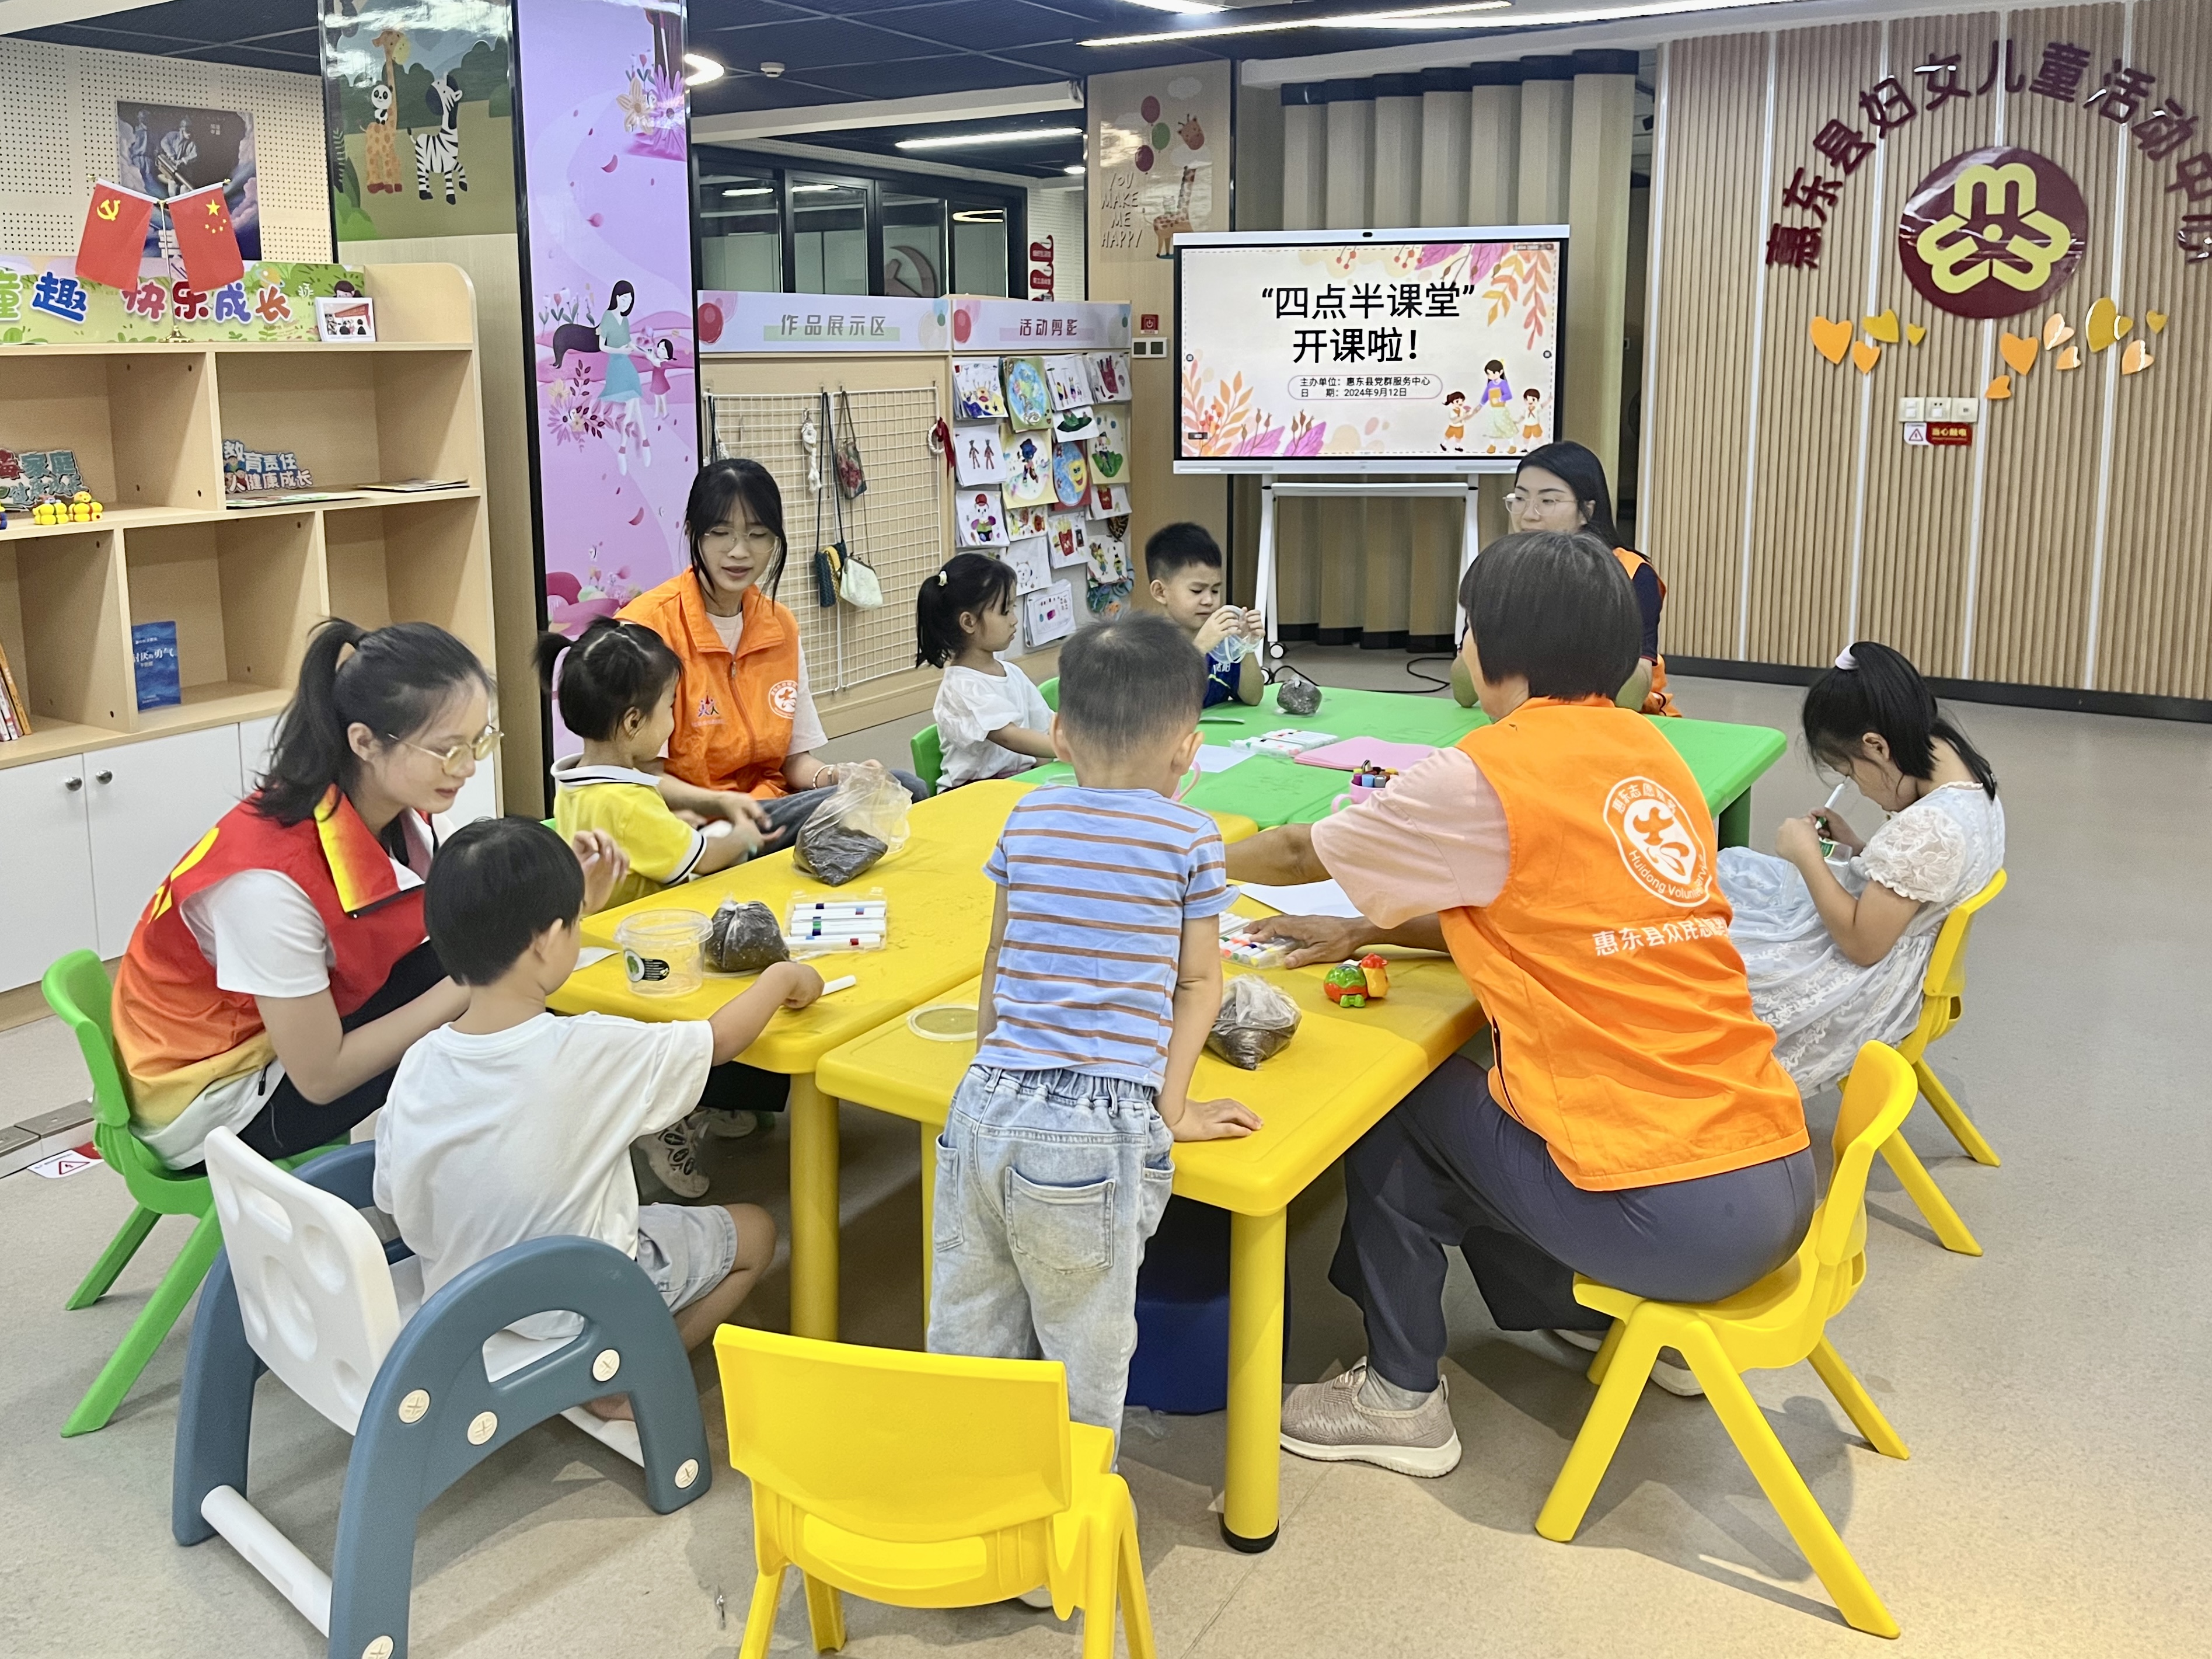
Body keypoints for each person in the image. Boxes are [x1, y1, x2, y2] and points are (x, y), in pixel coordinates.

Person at [1226, 532, 1812, 1473]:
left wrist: (1165, 848)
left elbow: (1299, 852)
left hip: (1673, 1212)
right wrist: (1368, 929)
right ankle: (1598, 1316)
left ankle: (1400, 1398)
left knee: (1399, 1103)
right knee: (1492, 1107)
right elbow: (1560, 917)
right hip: (1772, 1172)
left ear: (1490, 648)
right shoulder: (1650, 753)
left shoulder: (1486, 770)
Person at [111, 619, 628, 1170]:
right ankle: (518, 1168)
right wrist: (485, 978)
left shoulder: (389, 805)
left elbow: (469, 916)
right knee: (494, 995)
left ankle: (525, 1155)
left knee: (494, 971)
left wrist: (560, 897)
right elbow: (321, 1078)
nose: (469, 767)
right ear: (363, 742)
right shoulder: (266, 887)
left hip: (281, 1039)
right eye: (448, 749)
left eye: (478, 741)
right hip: (218, 1100)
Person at [927, 614, 1262, 1444]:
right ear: (1187, 748)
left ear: (1060, 734)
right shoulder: (1192, 836)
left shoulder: (1027, 817)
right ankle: (1063, 1524)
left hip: (986, 1103)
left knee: (969, 1333)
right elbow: (1198, 982)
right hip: (1095, 1125)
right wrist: (1173, 1109)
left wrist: (988, 1070)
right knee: (1084, 1354)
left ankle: (969, 1495)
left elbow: (997, 957)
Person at [374, 818, 819, 1421]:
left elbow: (393, 1198)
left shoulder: (421, 1060)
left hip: (463, 1294)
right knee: (758, 1232)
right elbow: (717, 1041)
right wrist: (782, 978)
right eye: (577, 923)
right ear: (546, 942)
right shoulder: (588, 1048)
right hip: (574, 1303)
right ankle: (619, 1383)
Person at [539, 616, 785, 1177]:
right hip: (640, 957)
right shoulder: (624, 804)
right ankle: (666, 1117)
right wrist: (741, 834)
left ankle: (708, 1098)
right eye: (670, 706)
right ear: (633, 722)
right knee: (747, 975)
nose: (674, 719)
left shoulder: (581, 778)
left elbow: (655, 809)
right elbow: (700, 857)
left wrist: (705, 812)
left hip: (608, 936)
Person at [1719, 641, 2005, 1091]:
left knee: (1706, 950)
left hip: (1869, 986)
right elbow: (1920, 880)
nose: (1860, 788)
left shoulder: (1931, 827)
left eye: (1851, 773)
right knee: (1728, 882)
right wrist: (1858, 849)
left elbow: (1862, 945)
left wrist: (1806, 856)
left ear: (1876, 746)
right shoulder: (1959, 766)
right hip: (1899, 949)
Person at [618, 458, 932, 839]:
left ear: (775, 540)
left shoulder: (780, 626)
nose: (739, 551)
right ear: (692, 532)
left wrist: (837, 776)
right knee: (893, 796)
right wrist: (725, 806)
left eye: (757, 534)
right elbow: (640, 774)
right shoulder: (646, 630)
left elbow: (795, 762)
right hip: (695, 825)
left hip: (772, 812)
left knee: (896, 787)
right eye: (721, 533)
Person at [1454, 440, 1679, 716]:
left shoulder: (1631, 573)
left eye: (1548, 501)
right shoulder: (1498, 570)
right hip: (1534, 719)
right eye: (1520, 499)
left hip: (1626, 721)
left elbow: (1628, 701)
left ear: (1587, 511)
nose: (1528, 515)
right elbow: (1464, 693)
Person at [917, 553, 1056, 787]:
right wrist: (1073, 749)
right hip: (972, 793)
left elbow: (1041, 729)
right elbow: (1009, 737)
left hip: (1015, 783)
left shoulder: (1012, 673)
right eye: (1005, 611)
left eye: (1013, 608)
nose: (1014, 620)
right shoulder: (960, 687)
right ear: (969, 622)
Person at [1144, 522, 1262, 707]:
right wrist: (1200, 648)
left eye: (1215, 590)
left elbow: (1253, 698)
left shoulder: (1224, 642)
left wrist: (1245, 646)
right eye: (1197, 591)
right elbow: (1158, 707)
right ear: (1160, 592)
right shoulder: (1143, 646)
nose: (1209, 600)